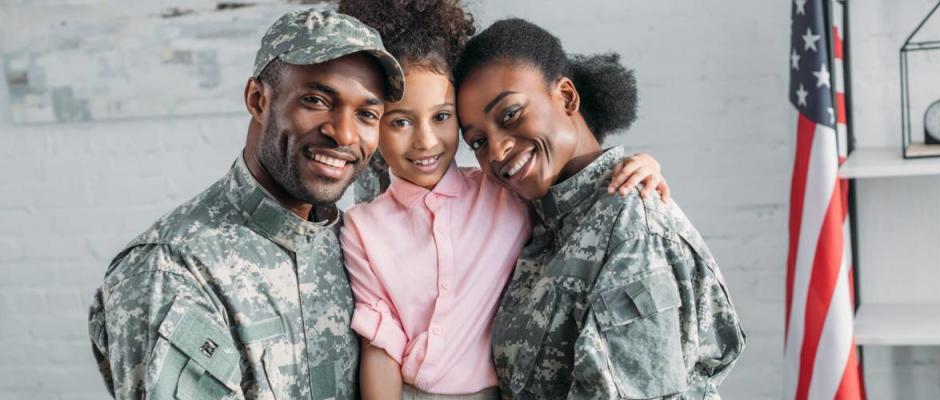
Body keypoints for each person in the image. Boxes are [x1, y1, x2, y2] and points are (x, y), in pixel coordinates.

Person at [335, 1, 671, 399]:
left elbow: (574, 185)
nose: (425, 140)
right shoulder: (362, 227)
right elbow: (380, 346)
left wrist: (640, 163)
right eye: (401, 121)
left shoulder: (502, 194)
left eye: (442, 117)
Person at [87, 9, 404, 399]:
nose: (343, 133)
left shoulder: (356, 243)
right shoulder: (170, 268)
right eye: (316, 100)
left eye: (366, 114)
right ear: (258, 99)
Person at [454, 18, 747, 399]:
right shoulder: (535, 220)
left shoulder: (631, 224)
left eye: (510, 115)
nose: (496, 150)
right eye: (477, 141)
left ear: (566, 97)